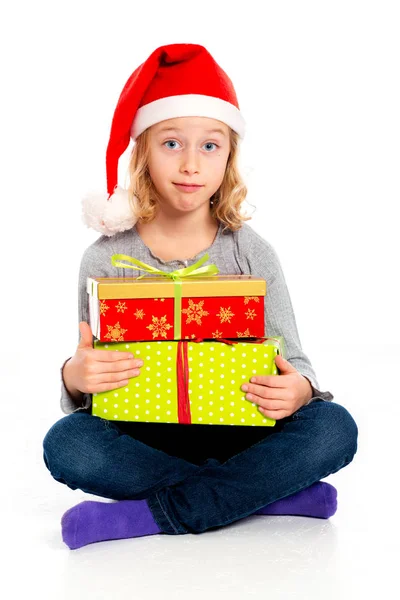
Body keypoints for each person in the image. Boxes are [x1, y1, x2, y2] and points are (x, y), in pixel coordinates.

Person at [42, 43, 358, 550]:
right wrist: (74, 378)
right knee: (67, 445)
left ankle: (145, 516)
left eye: (209, 146)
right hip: (144, 432)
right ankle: (264, 495)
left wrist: (300, 390)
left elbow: (293, 360)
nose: (191, 164)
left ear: (229, 156)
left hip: (240, 430)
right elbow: (90, 380)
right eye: (171, 143)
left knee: (334, 427)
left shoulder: (253, 253)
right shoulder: (102, 258)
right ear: (143, 149)